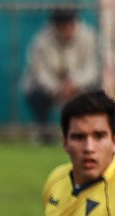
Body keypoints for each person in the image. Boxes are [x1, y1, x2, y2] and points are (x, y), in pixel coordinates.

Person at [23, 8, 100, 141]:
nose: (67, 29)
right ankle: (45, 133)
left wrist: (75, 84)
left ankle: (89, 132)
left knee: (96, 95)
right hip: (51, 88)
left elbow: (92, 68)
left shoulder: (88, 36)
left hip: (80, 87)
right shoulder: (42, 40)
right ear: (55, 26)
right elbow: (39, 72)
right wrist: (58, 88)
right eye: (63, 26)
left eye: (70, 24)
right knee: (34, 94)